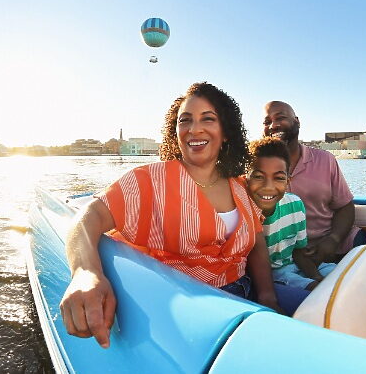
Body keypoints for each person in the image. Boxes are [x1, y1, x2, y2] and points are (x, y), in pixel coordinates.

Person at [60, 82, 281, 349]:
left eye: (207, 119)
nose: (194, 129)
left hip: (246, 299)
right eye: (184, 121)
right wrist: (85, 272)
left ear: (226, 132)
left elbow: (256, 242)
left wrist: (268, 297)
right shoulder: (148, 181)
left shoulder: (240, 186)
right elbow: (88, 217)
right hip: (184, 311)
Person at [262, 101, 366, 265]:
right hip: (282, 255)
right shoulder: (256, 167)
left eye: (280, 118)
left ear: (297, 121)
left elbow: (345, 206)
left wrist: (333, 240)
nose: (273, 126)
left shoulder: (325, 160)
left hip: (332, 244)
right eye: (267, 121)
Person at [247, 137, 336, 294]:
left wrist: (317, 276)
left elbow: (298, 251)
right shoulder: (244, 211)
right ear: (245, 177)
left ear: (288, 181)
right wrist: (316, 284)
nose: (268, 187)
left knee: (341, 273)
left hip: (294, 264)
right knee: (314, 290)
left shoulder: (295, 205)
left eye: (279, 178)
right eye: (258, 176)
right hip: (270, 275)